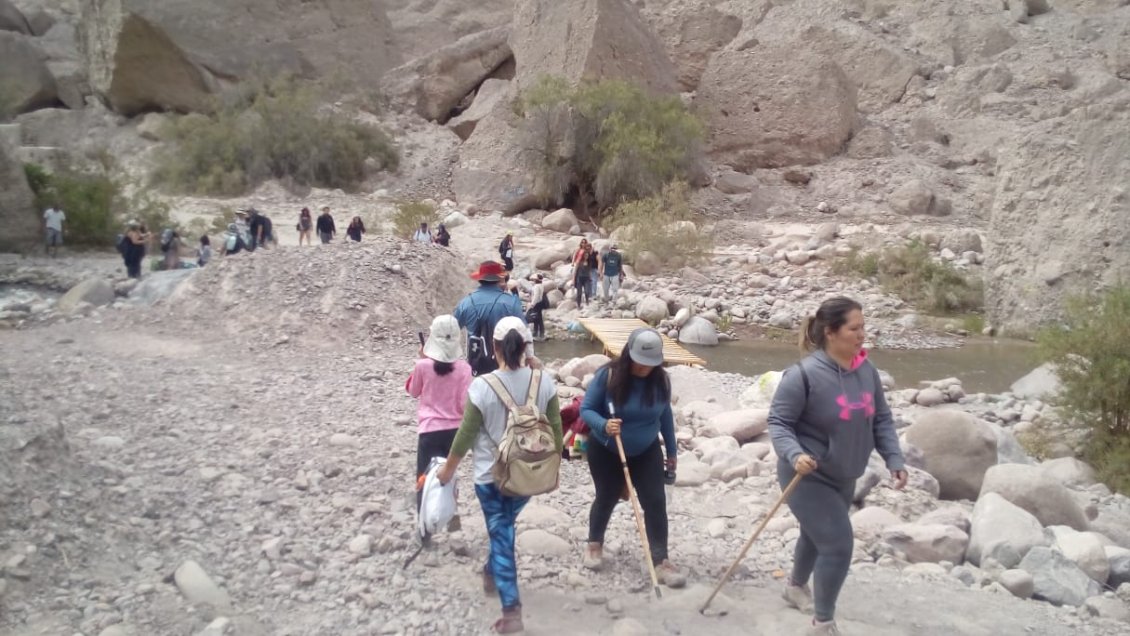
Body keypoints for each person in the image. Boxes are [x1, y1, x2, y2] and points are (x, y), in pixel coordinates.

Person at [768, 296, 907, 636]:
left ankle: (795, 586)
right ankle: (823, 623)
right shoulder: (802, 375)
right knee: (838, 545)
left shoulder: (866, 371)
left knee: (816, 536)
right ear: (831, 332)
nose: (862, 334)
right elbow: (779, 423)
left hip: (846, 473)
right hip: (807, 474)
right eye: (854, 328)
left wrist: (894, 458)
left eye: (864, 327)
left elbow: (882, 419)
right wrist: (793, 453)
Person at [435, 316, 563, 635]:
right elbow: (557, 428)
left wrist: (447, 470)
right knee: (503, 530)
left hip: (489, 478)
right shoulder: (543, 382)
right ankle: (492, 573)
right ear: (525, 347)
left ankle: (511, 612)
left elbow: (466, 435)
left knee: (501, 533)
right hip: (528, 474)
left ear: (495, 348)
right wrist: (554, 466)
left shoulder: (482, 386)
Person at [580, 328, 685, 588]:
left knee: (655, 501)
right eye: (640, 363)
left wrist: (671, 452)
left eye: (650, 364)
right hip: (607, 448)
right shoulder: (609, 375)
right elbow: (587, 409)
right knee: (607, 495)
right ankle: (594, 543)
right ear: (629, 355)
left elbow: (665, 417)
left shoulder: (661, 381)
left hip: (646, 449)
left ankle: (661, 560)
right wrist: (604, 424)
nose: (644, 369)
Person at [407, 315, 473, 511]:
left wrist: (421, 360)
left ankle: (424, 522)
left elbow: (413, 391)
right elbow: (464, 405)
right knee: (448, 473)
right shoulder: (465, 369)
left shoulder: (422, 366)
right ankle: (449, 512)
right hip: (455, 432)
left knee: (424, 475)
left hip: (429, 431)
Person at [453, 261, 534, 377]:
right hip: (506, 366)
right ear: (499, 279)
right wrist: (530, 357)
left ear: (479, 279)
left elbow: (451, 331)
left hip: (476, 366)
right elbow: (525, 332)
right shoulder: (511, 302)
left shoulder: (466, 303)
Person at [526, 275, 548, 341]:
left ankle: (536, 333)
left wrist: (532, 304)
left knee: (536, 318)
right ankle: (541, 333)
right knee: (539, 318)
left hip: (537, 304)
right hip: (540, 303)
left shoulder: (536, 287)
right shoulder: (541, 285)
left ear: (536, 280)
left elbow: (536, 296)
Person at [572, 241, 594, 309]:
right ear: (583, 255)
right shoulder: (579, 262)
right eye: (585, 255)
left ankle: (587, 302)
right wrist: (573, 280)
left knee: (587, 292)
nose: (586, 256)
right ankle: (578, 305)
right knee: (579, 293)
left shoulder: (589, 263)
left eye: (587, 255)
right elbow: (575, 271)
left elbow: (590, 271)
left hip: (586, 279)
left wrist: (591, 278)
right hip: (579, 279)